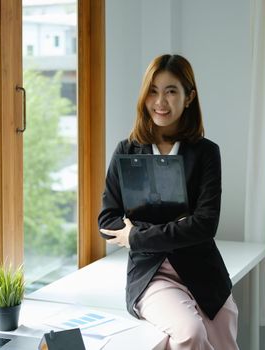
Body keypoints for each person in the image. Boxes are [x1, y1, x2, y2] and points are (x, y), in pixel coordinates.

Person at [98, 54, 239, 350]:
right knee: (190, 333)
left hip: (204, 271)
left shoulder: (206, 153)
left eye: (171, 91)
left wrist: (137, 234)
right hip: (151, 273)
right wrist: (177, 225)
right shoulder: (127, 150)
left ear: (189, 98)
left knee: (224, 336)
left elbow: (205, 225)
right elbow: (107, 221)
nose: (160, 101)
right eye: (153, 90)